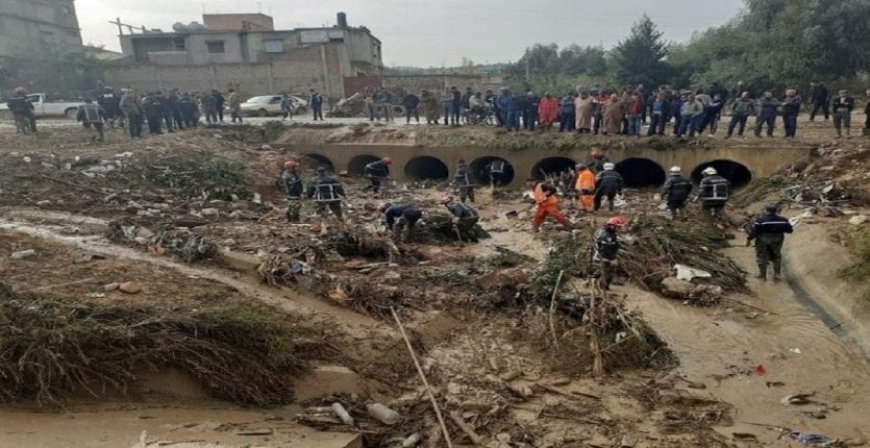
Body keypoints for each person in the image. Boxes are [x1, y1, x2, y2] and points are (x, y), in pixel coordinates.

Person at [746, 203, 794, 280]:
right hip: (778, 238)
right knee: (776, 255)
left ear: (767, 211)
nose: (763, 211)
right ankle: (777, 274)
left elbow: (755, 232)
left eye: (764, 210)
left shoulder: (760, 220)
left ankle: (762, 276)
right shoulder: (783, 220)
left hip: (763, 239)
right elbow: (789, 230)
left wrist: (748, 239)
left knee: (761, 256)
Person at [592, 216, 626, 290]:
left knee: (607, 273)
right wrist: (611, 259)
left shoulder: (611, 234)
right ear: (612, 225)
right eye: (617, 227)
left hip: (605, 257)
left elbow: (616, 244)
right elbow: (605, 249)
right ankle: (602, 289)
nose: (619, 229)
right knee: (606, 274)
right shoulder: (606, 236)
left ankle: (602, 287)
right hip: (603, 257)